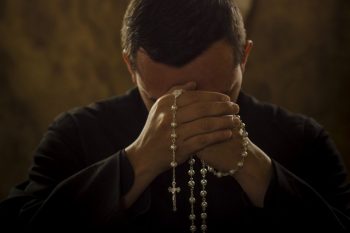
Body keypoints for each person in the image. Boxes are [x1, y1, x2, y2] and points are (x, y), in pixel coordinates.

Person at [0, 0, 349, 232]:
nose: (188, 116)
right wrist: (136, 162)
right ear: (130, 66)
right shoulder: (74, 135)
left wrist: (253, 166)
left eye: (218, 95)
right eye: (160, 100)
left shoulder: (303, 140)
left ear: (244, 57)